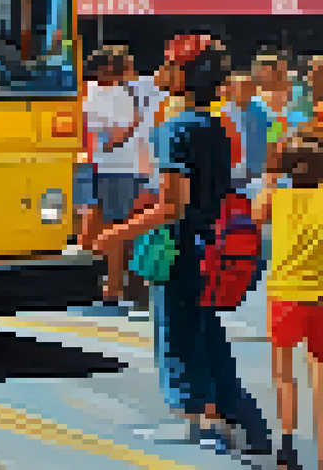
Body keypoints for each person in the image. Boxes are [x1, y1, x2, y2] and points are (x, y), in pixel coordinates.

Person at [90, 35, 271, 456]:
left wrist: (117, 233)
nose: (161, 71)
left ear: (185, 75)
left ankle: (203, 425)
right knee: (206, 333)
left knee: (177, 334)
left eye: (169, 65)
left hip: (180, 248)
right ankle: (240, 420)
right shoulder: (219, 126)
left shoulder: (175, 131)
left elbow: (172, 206)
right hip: (214, 243)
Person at [256, 55, 323, 470]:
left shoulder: (275, 199)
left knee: (284, 375)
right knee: (320, 376)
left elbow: (258, 208)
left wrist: (271, 170)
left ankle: (286, 446)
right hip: (319, 293)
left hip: (282, 293)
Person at [81, 49, 141, 309]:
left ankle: (114, 287)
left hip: (118, 168)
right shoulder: (89, 90)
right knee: (91, 225)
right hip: (93, 167)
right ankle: (96, 282)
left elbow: (121, 133)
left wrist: (98, 140)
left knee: (115, 226)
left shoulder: (123, 95)